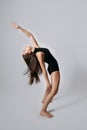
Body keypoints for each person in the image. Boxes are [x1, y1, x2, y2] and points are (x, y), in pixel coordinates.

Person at [12, 23, 60, 118]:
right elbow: (43, 69)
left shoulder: (37, 49)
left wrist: (19, 28)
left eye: (24, 49)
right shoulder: (39, 54)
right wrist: (47, 83)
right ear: (29, 53)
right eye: (25, 50)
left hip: (53, 66)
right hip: (54, 68)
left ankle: (44, 99)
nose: (24, 48)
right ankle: (43, 110)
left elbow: (30, 35)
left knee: (51, 89)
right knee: (54, 91)